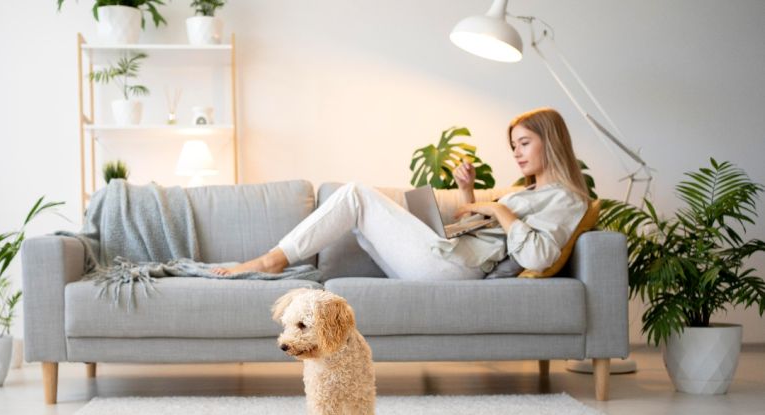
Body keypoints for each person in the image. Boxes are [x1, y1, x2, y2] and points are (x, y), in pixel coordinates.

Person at [213, 107, 590, 280]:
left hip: (455, 270)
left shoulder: (567, 199)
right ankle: (276, 259)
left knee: (356, 195)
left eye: (524, 143)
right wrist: (467, 191)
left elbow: (539, 257)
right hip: (450, 257)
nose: (517, 153)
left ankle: (271, 261)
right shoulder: (529, 191)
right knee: (361, 212)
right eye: (514, 146)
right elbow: (479, 230)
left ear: (551, 142)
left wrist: (501, 211)